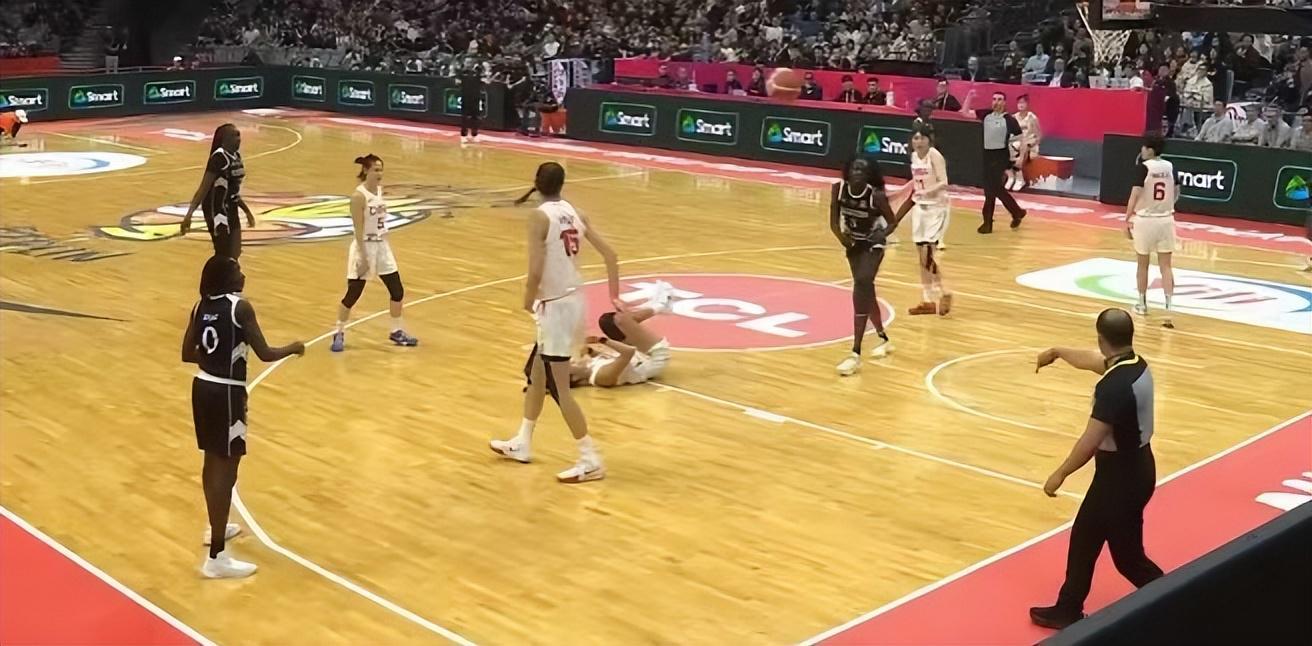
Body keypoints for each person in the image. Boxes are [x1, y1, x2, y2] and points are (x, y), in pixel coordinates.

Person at [1030, 308, 1164, 629]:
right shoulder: (1135, 365)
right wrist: (1058, 352)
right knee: (1090, 539)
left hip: (1119, 479)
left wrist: (1059, 474)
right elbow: (1093, 361)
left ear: (1102, 339)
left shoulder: (1113, 389)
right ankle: (1068, 607)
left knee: (1125, 558)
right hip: (1137, 469)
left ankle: (1175, 595)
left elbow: (1090, 442)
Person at [490, 162, 621, 483]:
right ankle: (523, 441)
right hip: (572, 301)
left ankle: (590, 458)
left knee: (560, 389)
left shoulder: (540, 217)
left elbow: (535, 270)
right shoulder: (575, 212)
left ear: (536, 183)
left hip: (556, 308)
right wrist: (615, 296)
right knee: (537, 375)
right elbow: (611, 255)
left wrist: (527, 299)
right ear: (562, 184)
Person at [183, 255, 304, 578]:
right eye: (237, 270)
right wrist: (293, 348)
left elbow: (186, 353)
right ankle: (216, 557)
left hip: (202, 387)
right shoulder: (240, 308)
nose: (243, 274)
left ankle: (215, 527)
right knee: (227, 468)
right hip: (227, 393)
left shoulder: (200, 306)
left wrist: (213, 359)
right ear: (226, 277)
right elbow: (265, 353)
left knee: (212, 463)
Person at [330, 155, 420, 352]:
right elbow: (358, 229)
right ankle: (339, 332)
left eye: (381, 169)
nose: (380, 174)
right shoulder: (358, 197)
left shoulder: (378, 191)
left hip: (381, 246)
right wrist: (363, 257)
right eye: (376, 170)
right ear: (366, 171)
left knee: (397, 291)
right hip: (364, 246)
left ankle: (396, 331)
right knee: (353, 294)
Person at [830, 157, 896, 376]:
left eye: (863, 170)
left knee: (861, 283)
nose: (858, 172)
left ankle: (855, 353)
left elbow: (892, 221)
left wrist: (882, 233)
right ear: (848, 171)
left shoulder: (875, 195)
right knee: (867, 292)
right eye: (855, 168)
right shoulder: (839, 190)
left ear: (869, 175)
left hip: (872, 245)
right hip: (853, 245)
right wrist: (841, 237)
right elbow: (833, 222)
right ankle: (883, 338)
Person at [893, 124, 953, 317]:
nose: (918, 142)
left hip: (937, 207)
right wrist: (902, 194)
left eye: (922, 138)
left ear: (929, 140)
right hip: (920, 208)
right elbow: (915, 183)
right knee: (921, 257)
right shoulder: (913, 157)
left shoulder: (934, 155)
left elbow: (944, 182)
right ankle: (927, 300)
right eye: (915, 138)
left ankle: (944, 291)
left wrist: (927, 191)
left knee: (927, 255)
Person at [570, 287, 674, 388]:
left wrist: (589, 351)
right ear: (574, 378)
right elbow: (628, 353)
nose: (570, 363)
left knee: (608, 322)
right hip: (654, 358)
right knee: (620, 320)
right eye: (569, 367)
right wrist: (602, 340)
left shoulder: (590, 368)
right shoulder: (602, 377)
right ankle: (661, 304)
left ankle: (660, 306)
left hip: (640, 356)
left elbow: (602, 357)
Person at [1126, 134, 1178, 328]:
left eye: (1143, 147)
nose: (1141, 150)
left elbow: (1135, 194)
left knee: (1143, 265)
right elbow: (1177, 190)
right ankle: (1169, 310)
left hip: (1145, 220)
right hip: (1166, 220)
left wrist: (1127, 218)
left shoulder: (1144, 168)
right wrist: (1168, 205)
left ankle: (1142, 304)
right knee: (1166, 266)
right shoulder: (1170, 166)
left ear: (1149, 149)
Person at [182, 124, 256, 258]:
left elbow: (233, 191)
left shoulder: (236, 157)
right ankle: (218, 271)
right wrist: (189, 214)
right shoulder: (219, 158)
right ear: (224, 139)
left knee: (235, 252)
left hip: (231, 207)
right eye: (234, 135)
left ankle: (228, 271)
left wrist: (247, 212)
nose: (238, 139)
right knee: (224, 253)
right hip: (216, 209)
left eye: (239, 135)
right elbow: (204, 188)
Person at [967, 90, 1026, 233]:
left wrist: (1021, 158)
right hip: (987, 155)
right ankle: (1016, 212)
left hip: (1000, 156)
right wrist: (969, 97)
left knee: (990, 190)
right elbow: (965, 113)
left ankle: (988, 222)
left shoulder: (1009, 120)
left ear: (1004, 102)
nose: (996, 102)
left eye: (999, 99)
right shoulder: (986, 115)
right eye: (994, 99)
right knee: (996, 189)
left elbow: (1022, 140)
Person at [1008, 95, 1041, 191]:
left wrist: (1030, 143)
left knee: (1022, 147)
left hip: (1030, 144)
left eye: (1023, 103)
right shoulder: (1014, 117)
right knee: (1007, 148)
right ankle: (1011, 176)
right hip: (1016, 143)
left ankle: (1019, 178)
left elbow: (1038, 135)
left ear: (1027, 104)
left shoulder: (1032, 118)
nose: (1020, 105)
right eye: (1019, 103)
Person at [458, 60, 484, 144]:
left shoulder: (477, 73)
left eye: (470, 62)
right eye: (467, 62)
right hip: (465, 98)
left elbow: (484, 82)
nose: (468, 64)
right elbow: (457, 82)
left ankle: (474, 135)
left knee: (475, 117)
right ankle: (463, 136)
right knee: (464, 117)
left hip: (475, 98)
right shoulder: (461, 73)